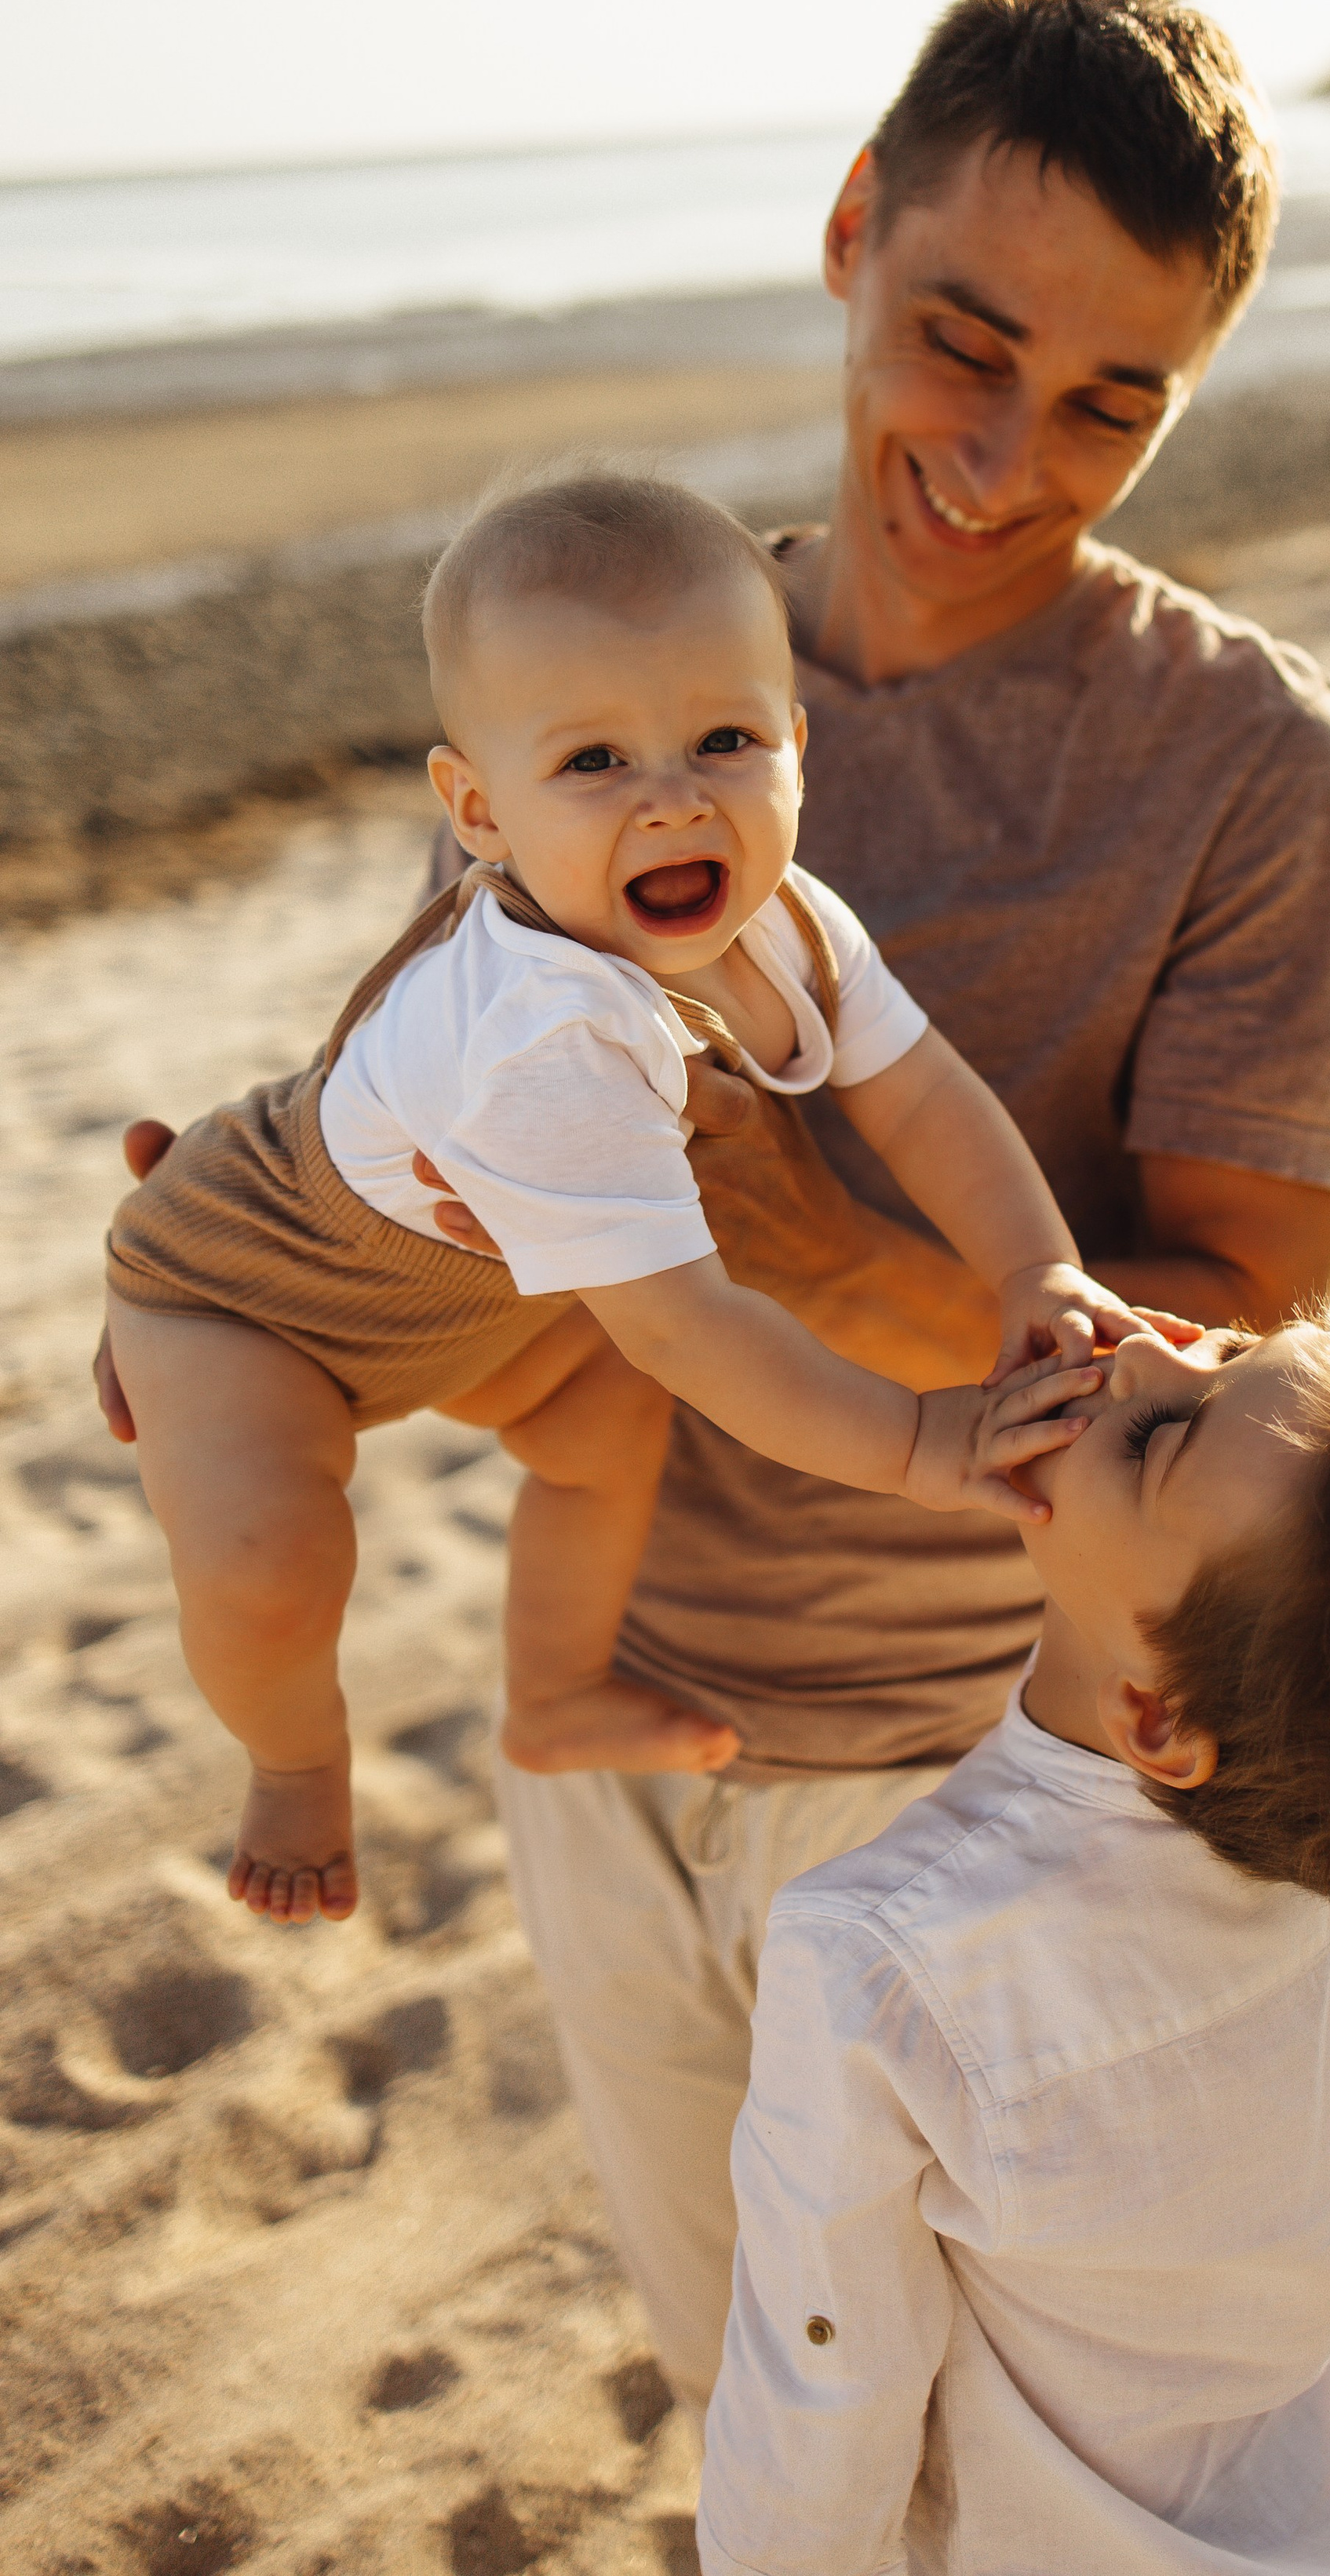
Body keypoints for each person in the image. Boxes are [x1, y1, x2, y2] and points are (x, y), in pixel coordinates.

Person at [100, 0, 1330, 2412]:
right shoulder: (590, 673)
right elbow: (420, 1125)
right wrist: (240, 1313)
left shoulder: (1255, 771)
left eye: (1113, 400)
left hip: (977, 1758)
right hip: (609, 1737)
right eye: (964, 343)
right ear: (847, 238)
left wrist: (806, 1248)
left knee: (1004, 2454)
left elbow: (1230, 1315)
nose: (1009, 453)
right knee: (749, 2418)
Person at [103, 471, 1142, 1926]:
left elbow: (925, 1098)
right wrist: (918, 1439)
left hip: (475, 1304)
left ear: (796, 747)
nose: (672, 798)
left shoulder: (787, 924)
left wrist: (1036, 1271)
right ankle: (291, 1762)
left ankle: (557, 1691)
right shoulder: (554, 1029)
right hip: (251, 1295)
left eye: (723, 739)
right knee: (272, 1550)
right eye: (592, 762)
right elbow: (693, 1329)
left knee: (600, 1428)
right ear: (479, 811)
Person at [694, 1286, 1330, 2576]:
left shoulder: (883, 1957)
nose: (1147, 1346)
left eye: (1161, 1438)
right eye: (1237, 1345)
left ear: (1158, 1719)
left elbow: (822, 2389)